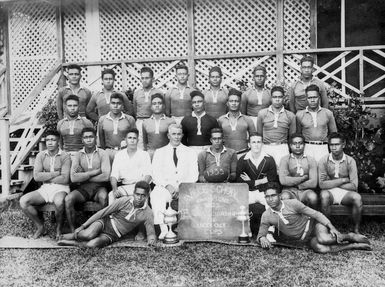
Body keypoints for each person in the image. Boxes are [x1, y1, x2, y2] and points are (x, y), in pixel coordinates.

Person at [257, 182, 371, 253]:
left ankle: (349, 236)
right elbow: (261, 234)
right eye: (267, 197)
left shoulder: (292, 203)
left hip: (313, 225)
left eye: (273, 196)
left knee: (324, 239)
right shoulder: (266, 215)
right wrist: (262, 238)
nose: (270, 199)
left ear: (280, 196)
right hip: (304, 239)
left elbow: (316, 214)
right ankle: (352, 246)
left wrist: (333, 228)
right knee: (321, 249)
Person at [57, 181, 156, 248]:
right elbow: (102, 212)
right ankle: (73, 235)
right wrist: (83, 226)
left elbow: (151, 233)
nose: (139, 198)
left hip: (113, 234)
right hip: (105, 222)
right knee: (88, 234)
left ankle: (73, 242)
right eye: (137, 194)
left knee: (92, 245)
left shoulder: (148, 212)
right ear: (133, 193)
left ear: (147, 195)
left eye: (143, 195)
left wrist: (151, 240)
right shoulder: (124, 201)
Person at [19, 130, 70, 239]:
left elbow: (65, 179)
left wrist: (46, 176)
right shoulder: (41, 155)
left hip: (61, 188)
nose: (50, 143)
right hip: (45, 188)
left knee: (59, 202)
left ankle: (58, 229)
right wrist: (56, 173)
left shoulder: (65, 156)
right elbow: (37, 177)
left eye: (53, 140)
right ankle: (40, 227)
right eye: (47, 140)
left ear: (58, 141)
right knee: (24, 201)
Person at [151, 124, 198, 239]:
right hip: (166, 189)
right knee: (156, 194)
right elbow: (155, 174)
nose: (176, 137)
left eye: (179, 134)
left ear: (182, 135)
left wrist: (182, 187)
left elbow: (194, 174)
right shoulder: (159, 152)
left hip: (185, 188)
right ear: (168, 135)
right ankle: (164, 229)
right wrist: (168, 186)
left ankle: (189, 229)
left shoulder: (190, 152)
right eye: (174, 134)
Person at [65, 128, 111, 232]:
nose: (89, 140)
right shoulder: (78, 155)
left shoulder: (102, 153)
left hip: (99, 187)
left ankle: (100, 229)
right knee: (68, 199)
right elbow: (73, 177)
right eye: (86, 137)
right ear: (82, 140)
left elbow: (106, 176)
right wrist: (94, 172)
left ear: (95, 138)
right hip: (83, 189)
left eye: (91, 137)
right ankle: (73, 230)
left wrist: (83, 176)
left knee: (103, 197)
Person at [319, 133, 362, 233]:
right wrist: (342, 180)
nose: (334, 147)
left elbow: (354, 186)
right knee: (324, 195)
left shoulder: (350, 161)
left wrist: (330, 181)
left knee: (357, 197)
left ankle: (356, 230)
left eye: (337, 144)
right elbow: (322, 185)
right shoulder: (324, 160)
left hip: (345, 193)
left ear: (343, 145)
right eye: (331, 145)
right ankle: (328, 229)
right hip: (329, 192)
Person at [109, 128, 152, 204]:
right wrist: (115, 189)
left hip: (141, 186)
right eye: (129, 138)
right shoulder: (119, 155)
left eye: (134, 138)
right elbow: (114, 175)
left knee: (141, 198)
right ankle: (112, 216)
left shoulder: (144, 154)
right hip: (126, 186)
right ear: (125, 140)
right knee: (111, 195)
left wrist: (141, 189)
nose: (132, 140)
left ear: (138, 140)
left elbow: (148, 175)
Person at [296, 84, 337, 162]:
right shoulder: (300, 115)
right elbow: (298, 135)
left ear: (319, 97)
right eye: (310, 98)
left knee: (322, 172)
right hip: (307, 148)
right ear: (306, 99)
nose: (312, 100)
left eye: (315, 97)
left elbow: (334, 134)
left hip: (323, 148)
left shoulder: (327, 113)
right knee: (307, 172)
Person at [257, 86, 296, 167]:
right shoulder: (262, 113)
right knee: (265, 173)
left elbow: (292, 137)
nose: (277, 99)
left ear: (284, 98)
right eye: (275, 97)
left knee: (281, 173)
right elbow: (259, 134)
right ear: (271, 98)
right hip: (266, 147)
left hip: (282, 147)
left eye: (280, 97)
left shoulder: (290, 115)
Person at [236, 133, 278, 206]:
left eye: (258, 142)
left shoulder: (269, 159)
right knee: (239, 207)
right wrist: (262, 181)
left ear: (262, 144)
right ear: (249, 144)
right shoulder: (242, 160)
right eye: (253, 142)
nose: (256, 145)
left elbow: (272, 180)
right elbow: (239, 181)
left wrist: (251, 182)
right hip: (248, 192)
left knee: (272, 207)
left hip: (264, 192)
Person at [279, 133, 318, 208]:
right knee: (285, 197)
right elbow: (283, 181)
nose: (297, 146)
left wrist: (295, 183)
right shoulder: (285, 159)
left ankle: (311, 219)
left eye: (300, 143)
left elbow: (313, 183)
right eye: (294, 144)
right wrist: (303, 178)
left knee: (313, 197)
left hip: (305, 191)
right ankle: (289, 219)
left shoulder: (311, 160)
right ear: (290, 145)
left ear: (304, 145)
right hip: (289, 190)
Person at [98, 93, 136, 162]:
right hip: (108, 152)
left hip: (124, 151)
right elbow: (101, 139)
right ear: (109, 104)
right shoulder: (102, 119)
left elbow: (134, 138)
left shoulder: (130, 119)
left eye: (118, 103)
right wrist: (104, 152)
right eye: (113, 103)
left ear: (122, 105)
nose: (115, 106)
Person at [218, 89, 256, 155]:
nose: (234, 103)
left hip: (244, 153)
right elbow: (218, 138)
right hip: (226, 154)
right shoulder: (221, 119)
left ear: (240, 103)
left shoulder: (247, 119)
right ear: (227, 103)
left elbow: (254, 138)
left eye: (236, 101)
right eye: (231, 101)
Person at [133, 66, 164, 149]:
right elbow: (134, 109)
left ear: (152, 79)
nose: (144, 80)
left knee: (153, 146)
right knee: (140, 147)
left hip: (153, 121)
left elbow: (162, 109)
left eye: (147, 78)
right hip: (140, 122)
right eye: (142, 78)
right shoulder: (137, 93)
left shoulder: (158, 92)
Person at [142, 93, 176, 158]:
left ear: (163, 106)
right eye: (154, 104)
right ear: (151, 107)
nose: (157, 105)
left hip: (166, 153)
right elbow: (145, 141)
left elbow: (173, 140)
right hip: (151, 154)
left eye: (159, 103)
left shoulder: (171, 121)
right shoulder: (145, 122)